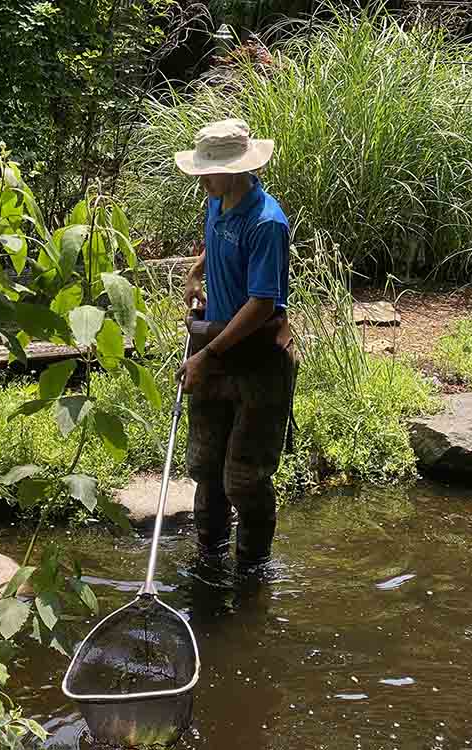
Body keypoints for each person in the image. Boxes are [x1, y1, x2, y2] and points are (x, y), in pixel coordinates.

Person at [173, 118, 295, 571]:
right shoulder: (219, 199)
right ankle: (208, 560)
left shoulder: (267, 223)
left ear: (238, 169)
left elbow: (263, 304)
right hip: (217, 346)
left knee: (243, 478)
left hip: (258, 357)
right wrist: (196, 272)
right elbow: (216, 239)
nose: (202, 180)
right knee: (205, 467)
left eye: (209, 171)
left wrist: (207, 355)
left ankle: (252, 572)